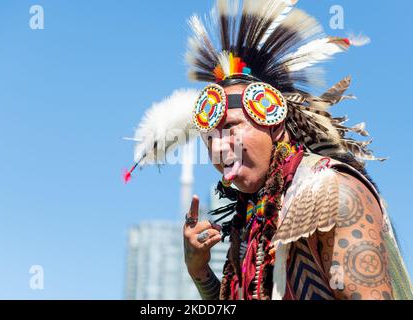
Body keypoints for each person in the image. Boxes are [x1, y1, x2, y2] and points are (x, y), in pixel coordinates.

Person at [126, 0, 413, 300]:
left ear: (273, 121)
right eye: (209, 139)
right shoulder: (254, 216)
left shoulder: (329, 192)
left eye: (232, 127)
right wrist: (199, 272)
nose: (219, 147)